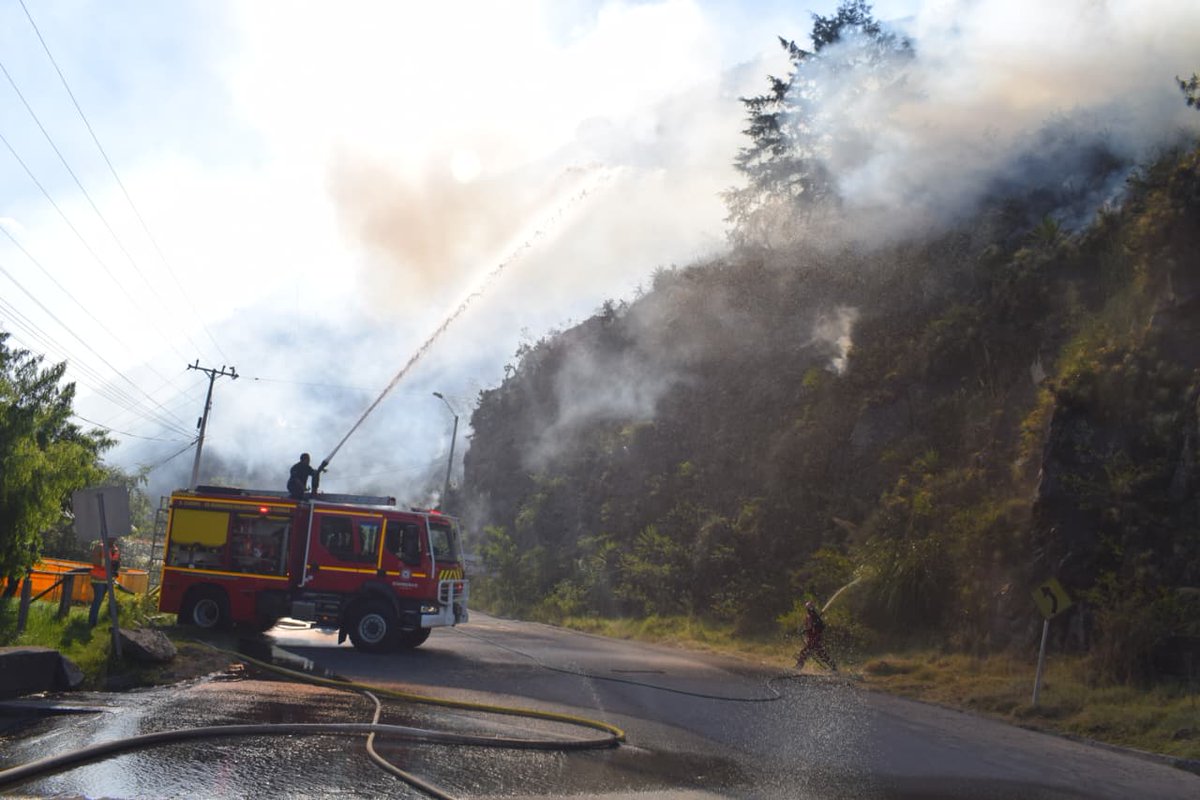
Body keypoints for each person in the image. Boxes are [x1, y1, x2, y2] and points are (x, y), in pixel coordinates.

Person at [794, 599, 837, 672]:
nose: (809, 610)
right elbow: (809, 627)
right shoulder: (810, 616)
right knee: (820, 654)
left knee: (805, 653)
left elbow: (820, 627)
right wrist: (805, 630)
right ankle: (833, 667)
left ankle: (798, 667)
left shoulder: (815, 617)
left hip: (814, 639)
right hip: (812, 639)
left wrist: (808, 630)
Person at [88, 538, 121, 627]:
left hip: (108, 580)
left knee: (99, 601)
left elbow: (117, 564)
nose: (113, 540)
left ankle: (93, 622)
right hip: (98, 579)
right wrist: (107, 564)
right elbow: (94, 561)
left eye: (115, 538)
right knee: (97, 600)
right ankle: (91, 623)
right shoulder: (99, 547)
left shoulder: (115, 550)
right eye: (112, 538)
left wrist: (116, 569)